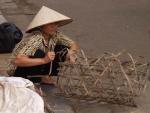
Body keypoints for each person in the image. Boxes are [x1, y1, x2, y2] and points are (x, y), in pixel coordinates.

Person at [7, 6, 79, 84]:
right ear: (42, 26)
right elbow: (18, 61)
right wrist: (44, 60)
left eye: (55, 24)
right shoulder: (36, 38)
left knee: (63, 49)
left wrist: (70, 53)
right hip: (18, 71)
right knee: (38, 53)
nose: (54, 27)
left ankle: (44, 76)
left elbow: (73, 44)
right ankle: (33, 81)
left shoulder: (56, 34)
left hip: (37, 64)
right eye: (50, 24)